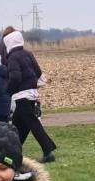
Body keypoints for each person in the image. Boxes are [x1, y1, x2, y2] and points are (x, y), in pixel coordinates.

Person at [3, 30, 57, 163]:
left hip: (21, 95)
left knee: (32, 124)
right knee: (19, 125)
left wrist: (8, 90)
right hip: (32, 93)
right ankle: (12, 153)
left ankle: (47, 150)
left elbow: (15, 77)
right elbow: (38, 72)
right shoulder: (28, 54)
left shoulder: (13, 57)